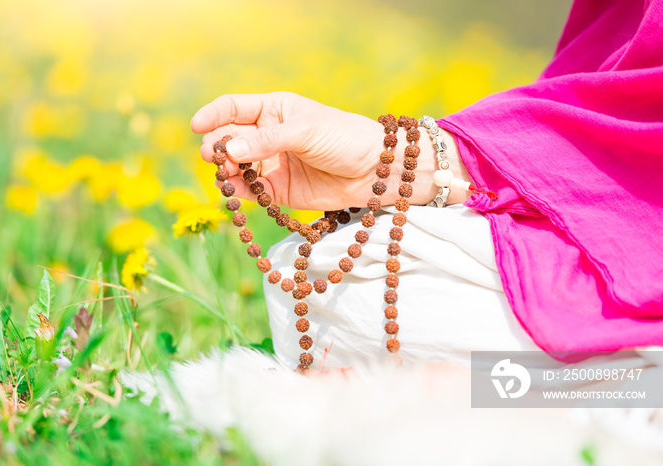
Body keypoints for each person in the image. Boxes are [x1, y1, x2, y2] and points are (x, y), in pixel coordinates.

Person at [191, 0, 663, 370]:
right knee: (316, 272)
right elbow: (618, 96)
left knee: (383, 304)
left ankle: (588, 395)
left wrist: (402, 157)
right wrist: (393, 162)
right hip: (612, 209)